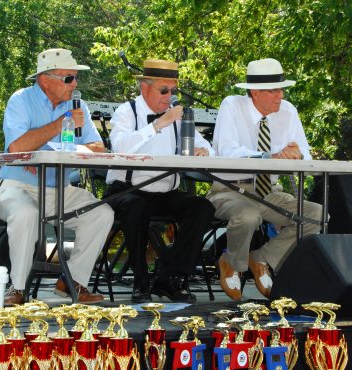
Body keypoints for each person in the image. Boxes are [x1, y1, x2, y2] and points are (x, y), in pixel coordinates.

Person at [0, 48, 114, 306]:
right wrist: (61, 123)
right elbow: (17, 147)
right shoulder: (21, 100)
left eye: (75, 77)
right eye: (68, 78)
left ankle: (72, 281)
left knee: (101, 212)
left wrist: (48, 152)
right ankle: (18, 288)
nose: (75, 84)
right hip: (17, 187)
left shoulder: (78, 106)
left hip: (59, 190)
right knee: (25, 214)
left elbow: (97, 147)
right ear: (45, 80)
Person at [207, 58, 322, 301]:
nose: (280, 95)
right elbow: (227, 151)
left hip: (270, 191)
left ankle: (262, 258)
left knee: (318, 216)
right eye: (273, 90)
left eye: (281, 89)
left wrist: (298, 155)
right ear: (254, 92)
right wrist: (270, 156)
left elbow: (306, 155)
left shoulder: (288, 111)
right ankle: (232, 262)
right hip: (230, 189)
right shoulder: (232, 105)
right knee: (248, 215)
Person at [106, 59, 215, 303]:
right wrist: (159, 124)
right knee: (136, 207)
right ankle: (140, 281)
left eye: (173, 91)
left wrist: (204, 151)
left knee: (202, 207)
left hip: (165, 192)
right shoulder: (127, 111)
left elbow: (205, 144)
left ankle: (168, 276)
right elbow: (120, 147)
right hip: (128, 189)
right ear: (145, 88)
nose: (169, 97)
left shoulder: (178, 116)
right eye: (164, 90)